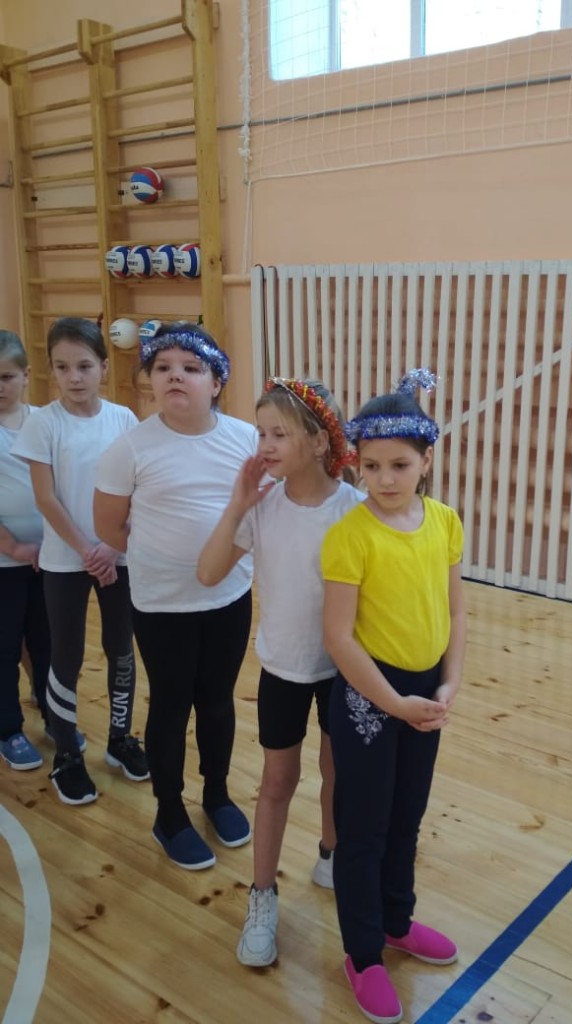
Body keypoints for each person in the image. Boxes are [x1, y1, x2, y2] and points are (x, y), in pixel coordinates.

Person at [197, 377, 362, 968]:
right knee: (276, 783)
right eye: (260, 432)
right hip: (284, 669)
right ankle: (262, 895)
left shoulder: (355, 509)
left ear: (318, 442)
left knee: (337, 770)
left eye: (279, 434)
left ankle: (331, 853)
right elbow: (209, 572)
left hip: (344, 670)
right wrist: (238, 503)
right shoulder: (262, 507)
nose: (264, 445)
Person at [321, 369, 466, 1024]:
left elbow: (455, 611)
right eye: (371, 466)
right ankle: (362, 953)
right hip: (368, 695)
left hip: (424, 692)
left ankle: (396, 922)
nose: (383, 479)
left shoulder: (445, 522)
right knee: (364, 826)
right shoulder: (351, 535)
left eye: (399, 465)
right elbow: (339, 637)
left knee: (407, 814)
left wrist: (449, 681)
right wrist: (393, 702)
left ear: (426, 460)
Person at [94, 321, 258, 871]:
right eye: (163, 368)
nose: (175, 377)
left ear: (217, 382)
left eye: (191, 368)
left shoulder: (245, 439)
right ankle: (169, 813)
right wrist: (165, 560)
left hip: (230, 598)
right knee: (170, 703)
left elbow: (260, 511)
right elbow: (110, 526)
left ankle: (217, 794)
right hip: (163, 605)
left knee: (217, 701)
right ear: (150, 380)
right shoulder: (131, 447)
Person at [11, 317, 147, 804]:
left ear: (104, 368)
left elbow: (135, 490)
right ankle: (67, 754)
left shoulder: (124, 420)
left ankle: (120, 740)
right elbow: (46, 498)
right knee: (64, 654)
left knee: (121, 649)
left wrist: (111, 546)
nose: (74, 377)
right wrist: (88, 549)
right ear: (50, 370)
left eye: (84, 366)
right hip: (66, 561)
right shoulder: (43, 424)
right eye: (62, 367)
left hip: (118, 556)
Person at [0, 330, 49, 771]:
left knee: (45, 640)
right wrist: (13, 546)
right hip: (6, 561)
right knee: (5, 646)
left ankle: (54, 713)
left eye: (6, 377)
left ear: (26, 376)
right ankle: (9, 730)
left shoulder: (41, 422)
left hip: (45, 559)